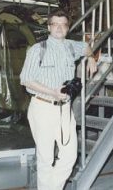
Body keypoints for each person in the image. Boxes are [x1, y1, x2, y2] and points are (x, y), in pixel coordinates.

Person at [20, 10, 97, 190]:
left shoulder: (71, 46)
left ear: (68, 28)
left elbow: (85, 46)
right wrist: (52, 92)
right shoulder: (38, 50)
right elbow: (26, 80)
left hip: (64, 110)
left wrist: (91, 57)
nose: (59, 28)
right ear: (49, 27)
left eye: (63, 24)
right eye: (55, 24)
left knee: (70, 156)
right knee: (46, 158)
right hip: (43, 107)